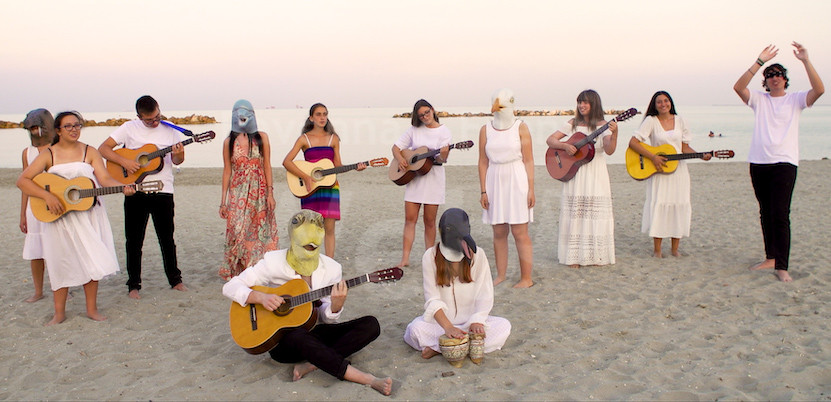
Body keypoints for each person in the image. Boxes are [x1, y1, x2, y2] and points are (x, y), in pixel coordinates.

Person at [223, 210, 392, 396]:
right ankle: (366, 379)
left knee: (371, 325)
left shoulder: (332, 269)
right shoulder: (273, 261)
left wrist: (335, 306)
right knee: (297, 336)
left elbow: (325, 319)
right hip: (282, 342)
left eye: (313, 246)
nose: (309, 248)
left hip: (313, 332)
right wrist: (261, 297)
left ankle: (311, 365)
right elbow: (230, 286)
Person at [17, 111, 135, 325]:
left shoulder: (90, 151)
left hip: (88, 213)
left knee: (90, 258)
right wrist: (46, 196)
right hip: (58, 215)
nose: (74, 129)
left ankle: (91, 309)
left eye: (77, 125)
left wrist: (122, 187)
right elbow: (23, 181)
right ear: (58, 130)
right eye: (69, 126)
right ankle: (59, 313)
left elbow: (104, 178)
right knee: (59, 261)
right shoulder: (49, 154)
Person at [733, 42, 824, 282]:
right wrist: (759, 62)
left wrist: (805, 60)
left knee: (781, 214)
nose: (775, 78)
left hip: (785, 163)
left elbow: (819, 89)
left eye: (779, 75)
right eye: (770, 75)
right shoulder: (759, 100)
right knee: (765, 212)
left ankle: (782, 266)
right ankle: (771, 258)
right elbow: (738, 87)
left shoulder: (795, 100)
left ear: (785, 79)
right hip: (759, 162)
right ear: (765, 81)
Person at [99, 95, 187, 299]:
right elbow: (103, 149)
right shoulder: (128, 128)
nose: (155, 122)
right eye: (149, 120)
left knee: (167, 238)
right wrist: (124, 162)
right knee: (134, 240)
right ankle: (133, 285)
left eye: (157, 116)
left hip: (163, 190)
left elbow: (177, 161)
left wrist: (179, 153)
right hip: (135, 191)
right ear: (139, 117)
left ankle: (175, 280)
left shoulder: (171, 129)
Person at [404, 208, 511, 360]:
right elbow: (432, 299)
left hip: (470, 324)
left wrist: (477, 321)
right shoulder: (430, 256)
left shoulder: (478, 255)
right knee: (414, 330)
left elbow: (485, 293)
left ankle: (442, 348)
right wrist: (448, 327)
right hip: (440, 325)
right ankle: (466, 346)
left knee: (504, 326)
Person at [628, 91, 711, 258]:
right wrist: (653, 157)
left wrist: (701, 155)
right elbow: (633, 143)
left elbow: (684, 148)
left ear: (670, 102)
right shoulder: (651, 121)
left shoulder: (680, 121)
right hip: (659, 170)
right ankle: (657, 250)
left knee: (678, 205)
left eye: (666, 101)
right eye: (659, 102)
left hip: (679, 171)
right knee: (660, 205)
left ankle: (674, 249)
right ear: (655, 105)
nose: (663, 104)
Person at [546, 89, 619, 268]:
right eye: (580, 102)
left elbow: (609, 150)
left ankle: (596, 256)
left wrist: (615, 134)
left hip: (596, 173)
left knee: (594, 214)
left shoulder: (603, 125)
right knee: (576, 214)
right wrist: (565, 147)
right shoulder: (573, 123)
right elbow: (550, 140)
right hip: (575, 173)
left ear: (594, 104)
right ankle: (574, 258)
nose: (581, 105)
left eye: (585, 102)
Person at [282, 103, 364, 258]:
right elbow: (287, 161)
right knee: (310, 230)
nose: (322, 117)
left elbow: (338, 166)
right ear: (311, 118)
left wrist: (355, 167)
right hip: (310, 188)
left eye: (325, 114)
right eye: (318, 114)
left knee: (329, 229)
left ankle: (330, 263)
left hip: (330, 188)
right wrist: (306, 176)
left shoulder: (333, 139)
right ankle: (311, 261)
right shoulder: (304, 139)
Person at [478, 89, 535, 288]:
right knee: (499, 232)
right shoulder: (485, 129)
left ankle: (526, 278)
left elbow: (529, 160)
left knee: (520, 232)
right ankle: (501, 275)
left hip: (517, 179)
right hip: (494, 180)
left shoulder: (521, 127)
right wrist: (483, 190)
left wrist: (531, 189)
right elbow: (482, 162)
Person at [219, 100, 279, 280]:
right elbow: (227, 171)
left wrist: (270, 193)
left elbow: (267, 166)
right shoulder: (229, 142)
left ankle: (257, 270)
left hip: (259, 192)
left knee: (259, 232)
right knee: (237, 230)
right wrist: (223, 202)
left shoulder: (262, 137)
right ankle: (240, 270)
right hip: (237, 193)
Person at [392, 99, 451, 268]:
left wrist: (444, 154)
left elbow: (442, 159)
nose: (425, 117)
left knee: (429, 221)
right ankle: (405, 259)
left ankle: (429, 257)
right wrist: (401, 159)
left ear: (432, 110)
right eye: (421, 115)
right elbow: (396, 147)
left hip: (434, 178)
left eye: (427, 112)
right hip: (414, 178)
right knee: (410, 219)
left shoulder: (444, 131)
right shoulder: (414, 130)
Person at [19, 109, 56, 302]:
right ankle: (38, 290)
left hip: (56, 202)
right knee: (36, 251)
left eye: (37, 127)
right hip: (34, 206)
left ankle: (61, 287)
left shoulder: (57, 149)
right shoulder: (28, 153)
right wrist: (22, 215)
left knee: (56, 247)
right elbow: (25, 185)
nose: (35, 131)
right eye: (31, 128)